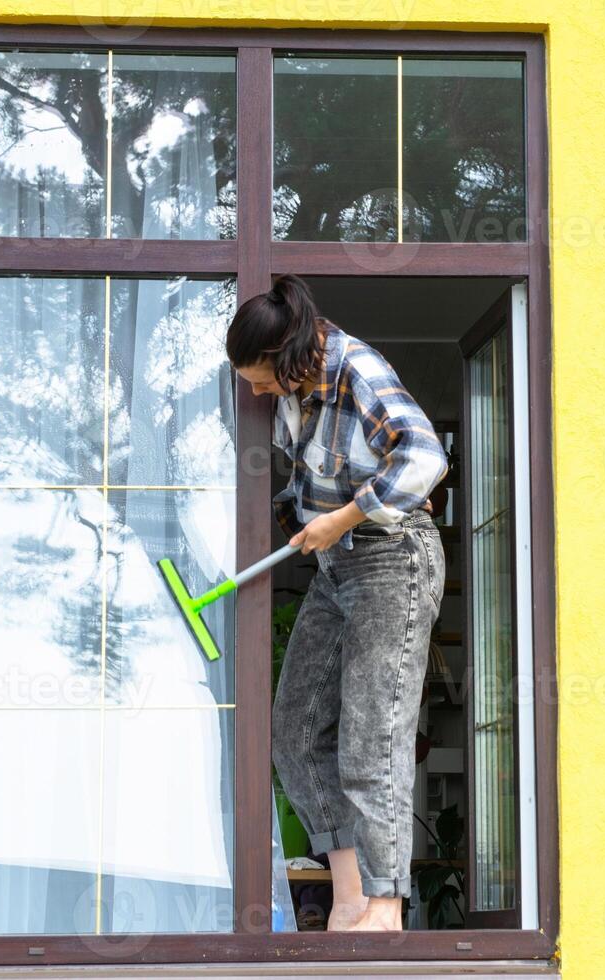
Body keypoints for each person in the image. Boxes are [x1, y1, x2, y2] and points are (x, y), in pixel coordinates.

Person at [226, 274, 449, 932]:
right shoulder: (300, 390)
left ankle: (383, 910)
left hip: (392, 559)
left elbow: (426, 456)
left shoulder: (357, 367)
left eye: (260, 380)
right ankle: (351, 898)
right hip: (335, 568)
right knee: (296, 732)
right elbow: (311, 481)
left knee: (372, 737)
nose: (259, 394)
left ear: (287, 355)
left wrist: (347, 516)